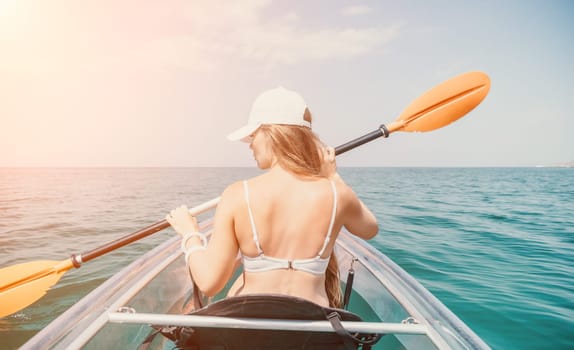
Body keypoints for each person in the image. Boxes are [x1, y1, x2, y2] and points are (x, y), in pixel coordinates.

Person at [166, 87, 378, 308]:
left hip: (251, 328)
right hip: (312, 332)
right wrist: (333, 176)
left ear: (271, 134)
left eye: (253, 135)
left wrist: (190, 234)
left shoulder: (238, 194)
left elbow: (210, 283)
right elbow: (369, 229)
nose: (250, 145)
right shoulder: (337, 194)